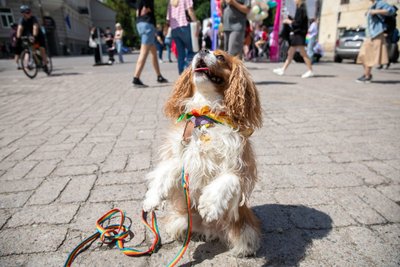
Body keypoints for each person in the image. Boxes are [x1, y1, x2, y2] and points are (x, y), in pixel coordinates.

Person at [356, 0, 396, 83]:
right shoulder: (373, 5)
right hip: (370, 35)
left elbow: (391, 10)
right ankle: (367, 75)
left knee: (368, 56)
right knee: (362, 56)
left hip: (376, 34)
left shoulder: (380, 3)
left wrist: (375, 11)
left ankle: (367, 76)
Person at [272, 0, 314, 78]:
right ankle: (283, 69)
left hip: (299, 34)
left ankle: (310, 70)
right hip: (298, 34)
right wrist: (291, 20)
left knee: (302, 53)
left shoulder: (301, 9)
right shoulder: (301, 9)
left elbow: (298, 23)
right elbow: (298, 21)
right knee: (290, 53)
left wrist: (289, 21)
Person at [132, 0, 168, 87]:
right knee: (143, 52)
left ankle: (159, 76)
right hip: (147, 24)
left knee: (154, 53)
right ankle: (136, 78)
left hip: (140, 23)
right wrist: (146, 5)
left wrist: (139, 9)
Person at [167, 0, 199, 74]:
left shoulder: (170, 1)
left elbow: (168, 19)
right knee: (192, 51)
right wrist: (197, 22)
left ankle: (181, 74)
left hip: (174, 29)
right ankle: (187, 73)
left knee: (180, 54)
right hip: (184, 27)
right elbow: (190, 11)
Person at [16, 5, 49, 73]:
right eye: (28, 12)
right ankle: (33, 63)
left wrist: (34, 36)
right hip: (29, 37)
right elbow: (19, 29)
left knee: (42, 49)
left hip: (38, 36)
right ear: (23, 14)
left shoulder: (33, 18)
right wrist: (18, 37)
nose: (30, 13)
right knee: (30, 50)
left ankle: (45, 65)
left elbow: (35, 27)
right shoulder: (21, 20)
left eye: (30, 11)